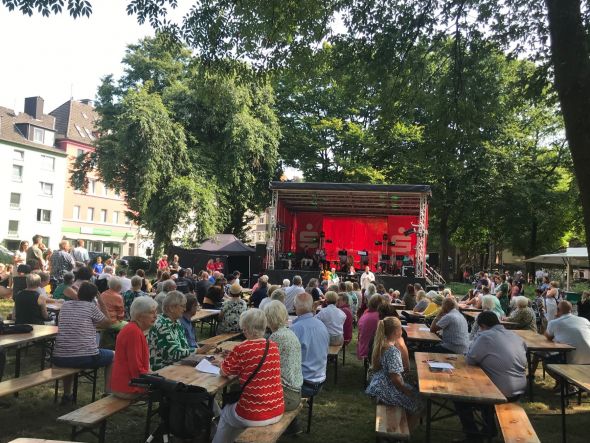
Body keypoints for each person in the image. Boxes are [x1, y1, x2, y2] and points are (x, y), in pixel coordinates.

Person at [212, 309, 284, 443]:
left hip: (254, 413)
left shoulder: (243, 348)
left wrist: (222, 363)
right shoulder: (273, 346)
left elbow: (224, 371)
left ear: (247, 329)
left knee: (226, 413)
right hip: (277, 408)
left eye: (243, 329)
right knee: (236, 413)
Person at [455, 311, 527, 441]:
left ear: (482, 325)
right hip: (519, 388)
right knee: (487, 381)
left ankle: (473, 435)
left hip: (502, 390)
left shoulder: (485, 337)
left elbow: (470, 360)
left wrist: (477, 337)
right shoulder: (515, 336)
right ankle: (489, 427)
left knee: (460, 397)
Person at [52, 282, 114, 403]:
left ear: (78, 293)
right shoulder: (91, 307)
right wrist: (101, 300)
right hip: (85, 357)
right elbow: (107, 323)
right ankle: (108, 393)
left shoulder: (65, 305)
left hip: (59, 357)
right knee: (114, 356)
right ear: (93, 297)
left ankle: (66, 394)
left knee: (70, 355)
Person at [365, 317, 422, 419]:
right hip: (387, 389)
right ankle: (403, 431)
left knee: (414, 392)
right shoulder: (393, 351)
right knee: (420, 403)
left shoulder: (382, 344)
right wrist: (406, 391)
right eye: (401, 328)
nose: (402, 330)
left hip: (378, 385)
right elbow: (395, 378)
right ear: (396, 331)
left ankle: (401, 426)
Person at [111, 296, 158, 399]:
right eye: (151, 313)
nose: (155, 316)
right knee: (169, 391)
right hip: (128, 387)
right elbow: (136, 367)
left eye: (155, 312)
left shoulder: (133, 328)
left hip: (126, 383)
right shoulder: (133, 332)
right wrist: (153, 379)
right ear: (139, 316)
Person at [148, 291, 210, 370]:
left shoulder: (176, 321)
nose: (184, 309)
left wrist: (200, 355)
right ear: (171, 308)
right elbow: (172, 354)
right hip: (163, 370)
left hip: (178, 365)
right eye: (182, 306)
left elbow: (184, 347)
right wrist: (198, 350)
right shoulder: (161, 324)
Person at [264, 301, 303, 412]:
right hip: (295, 391)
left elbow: (264, 367)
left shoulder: (276, 337)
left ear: (269, 317)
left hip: (286, 395)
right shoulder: (288, 332)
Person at [290, 292, 330, 398]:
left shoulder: (295, 329)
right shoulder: (322, 325)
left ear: (295, 307)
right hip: (320, 379)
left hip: (304, 384)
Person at [357, 294, 383, 360]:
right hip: (375, 350)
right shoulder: (380, 317)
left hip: (363, 348)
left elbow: (359, 333)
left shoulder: (365, 314)